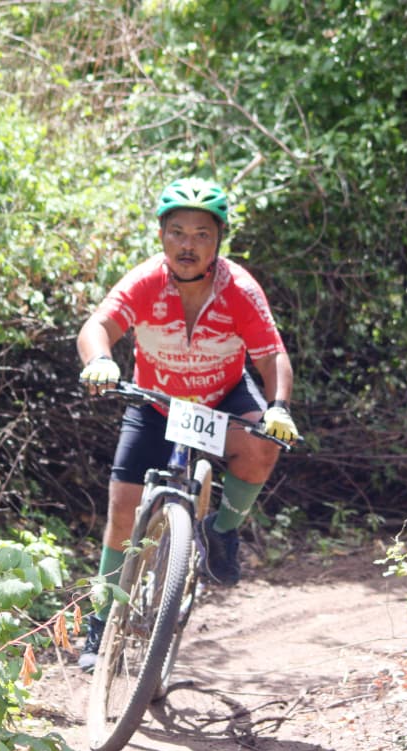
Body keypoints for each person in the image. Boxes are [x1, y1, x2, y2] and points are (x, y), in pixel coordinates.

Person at [74, 177, 298, 672]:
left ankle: (223, 530)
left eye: (201, 234)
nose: (188, 245)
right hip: (157, 403)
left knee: (263, 445)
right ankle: (101, 619)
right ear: (161, 236)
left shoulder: (239, 289)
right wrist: (101, 359)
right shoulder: (145, 281)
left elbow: (271, 354)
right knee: (123, 514)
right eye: (177, 232)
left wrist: (279, 406)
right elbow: (97, 326)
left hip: (222, 398)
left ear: (219, 240)